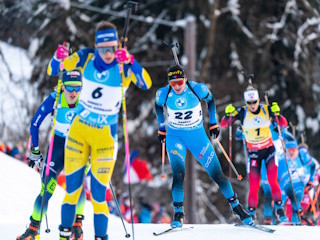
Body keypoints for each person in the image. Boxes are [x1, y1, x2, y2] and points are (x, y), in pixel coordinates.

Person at [47, 21, 152, 240]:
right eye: (103, 49)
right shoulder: (85, 58)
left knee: (98, 195)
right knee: (72, 191)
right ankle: (64, 236)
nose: (108, 53)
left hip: (105, 140)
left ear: (117, 46)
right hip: (78, 134)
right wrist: (58, 57)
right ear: (96, 46)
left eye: (112, 48)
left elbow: (146, 84)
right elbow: (54, 70)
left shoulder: (123, 66)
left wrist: (132, 62)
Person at [155, 64, 253, 228]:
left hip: (197, 136)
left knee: (217, 174)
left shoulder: (197, 89)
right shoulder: (163, 93)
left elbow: (211, 100)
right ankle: (178, 213)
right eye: (173, 83)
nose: (177, 86)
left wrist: (213, 123)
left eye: (180, 82)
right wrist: (161, 127)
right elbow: (158, 106)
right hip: (175, 137)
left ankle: (237, 208)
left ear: (185, 79)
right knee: (178, 174)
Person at [17, 70, 86, 240]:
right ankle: (33, 230)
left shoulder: (86, 100)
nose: (73, 92)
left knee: (76, 187)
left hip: (78, 147)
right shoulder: (55, 99)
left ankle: (77, 226)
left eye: (77, 88)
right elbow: (35, 124)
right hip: (58, 146)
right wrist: (35, 150)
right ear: (63, 87)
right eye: (69, 87)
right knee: (46, 188)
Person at [221, 85, 288, 223]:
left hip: (269, 150)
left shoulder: (266, 109)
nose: (252, 105)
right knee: (254, 184)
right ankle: (251, 214)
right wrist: (227, 115)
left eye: (254, 102)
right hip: (254, 152)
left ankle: (280, 210)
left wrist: (277, 113)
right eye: (249, 103)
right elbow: (223, 124)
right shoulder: (242, 112)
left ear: (258, 100)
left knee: (272, 180)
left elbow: (283, 123)